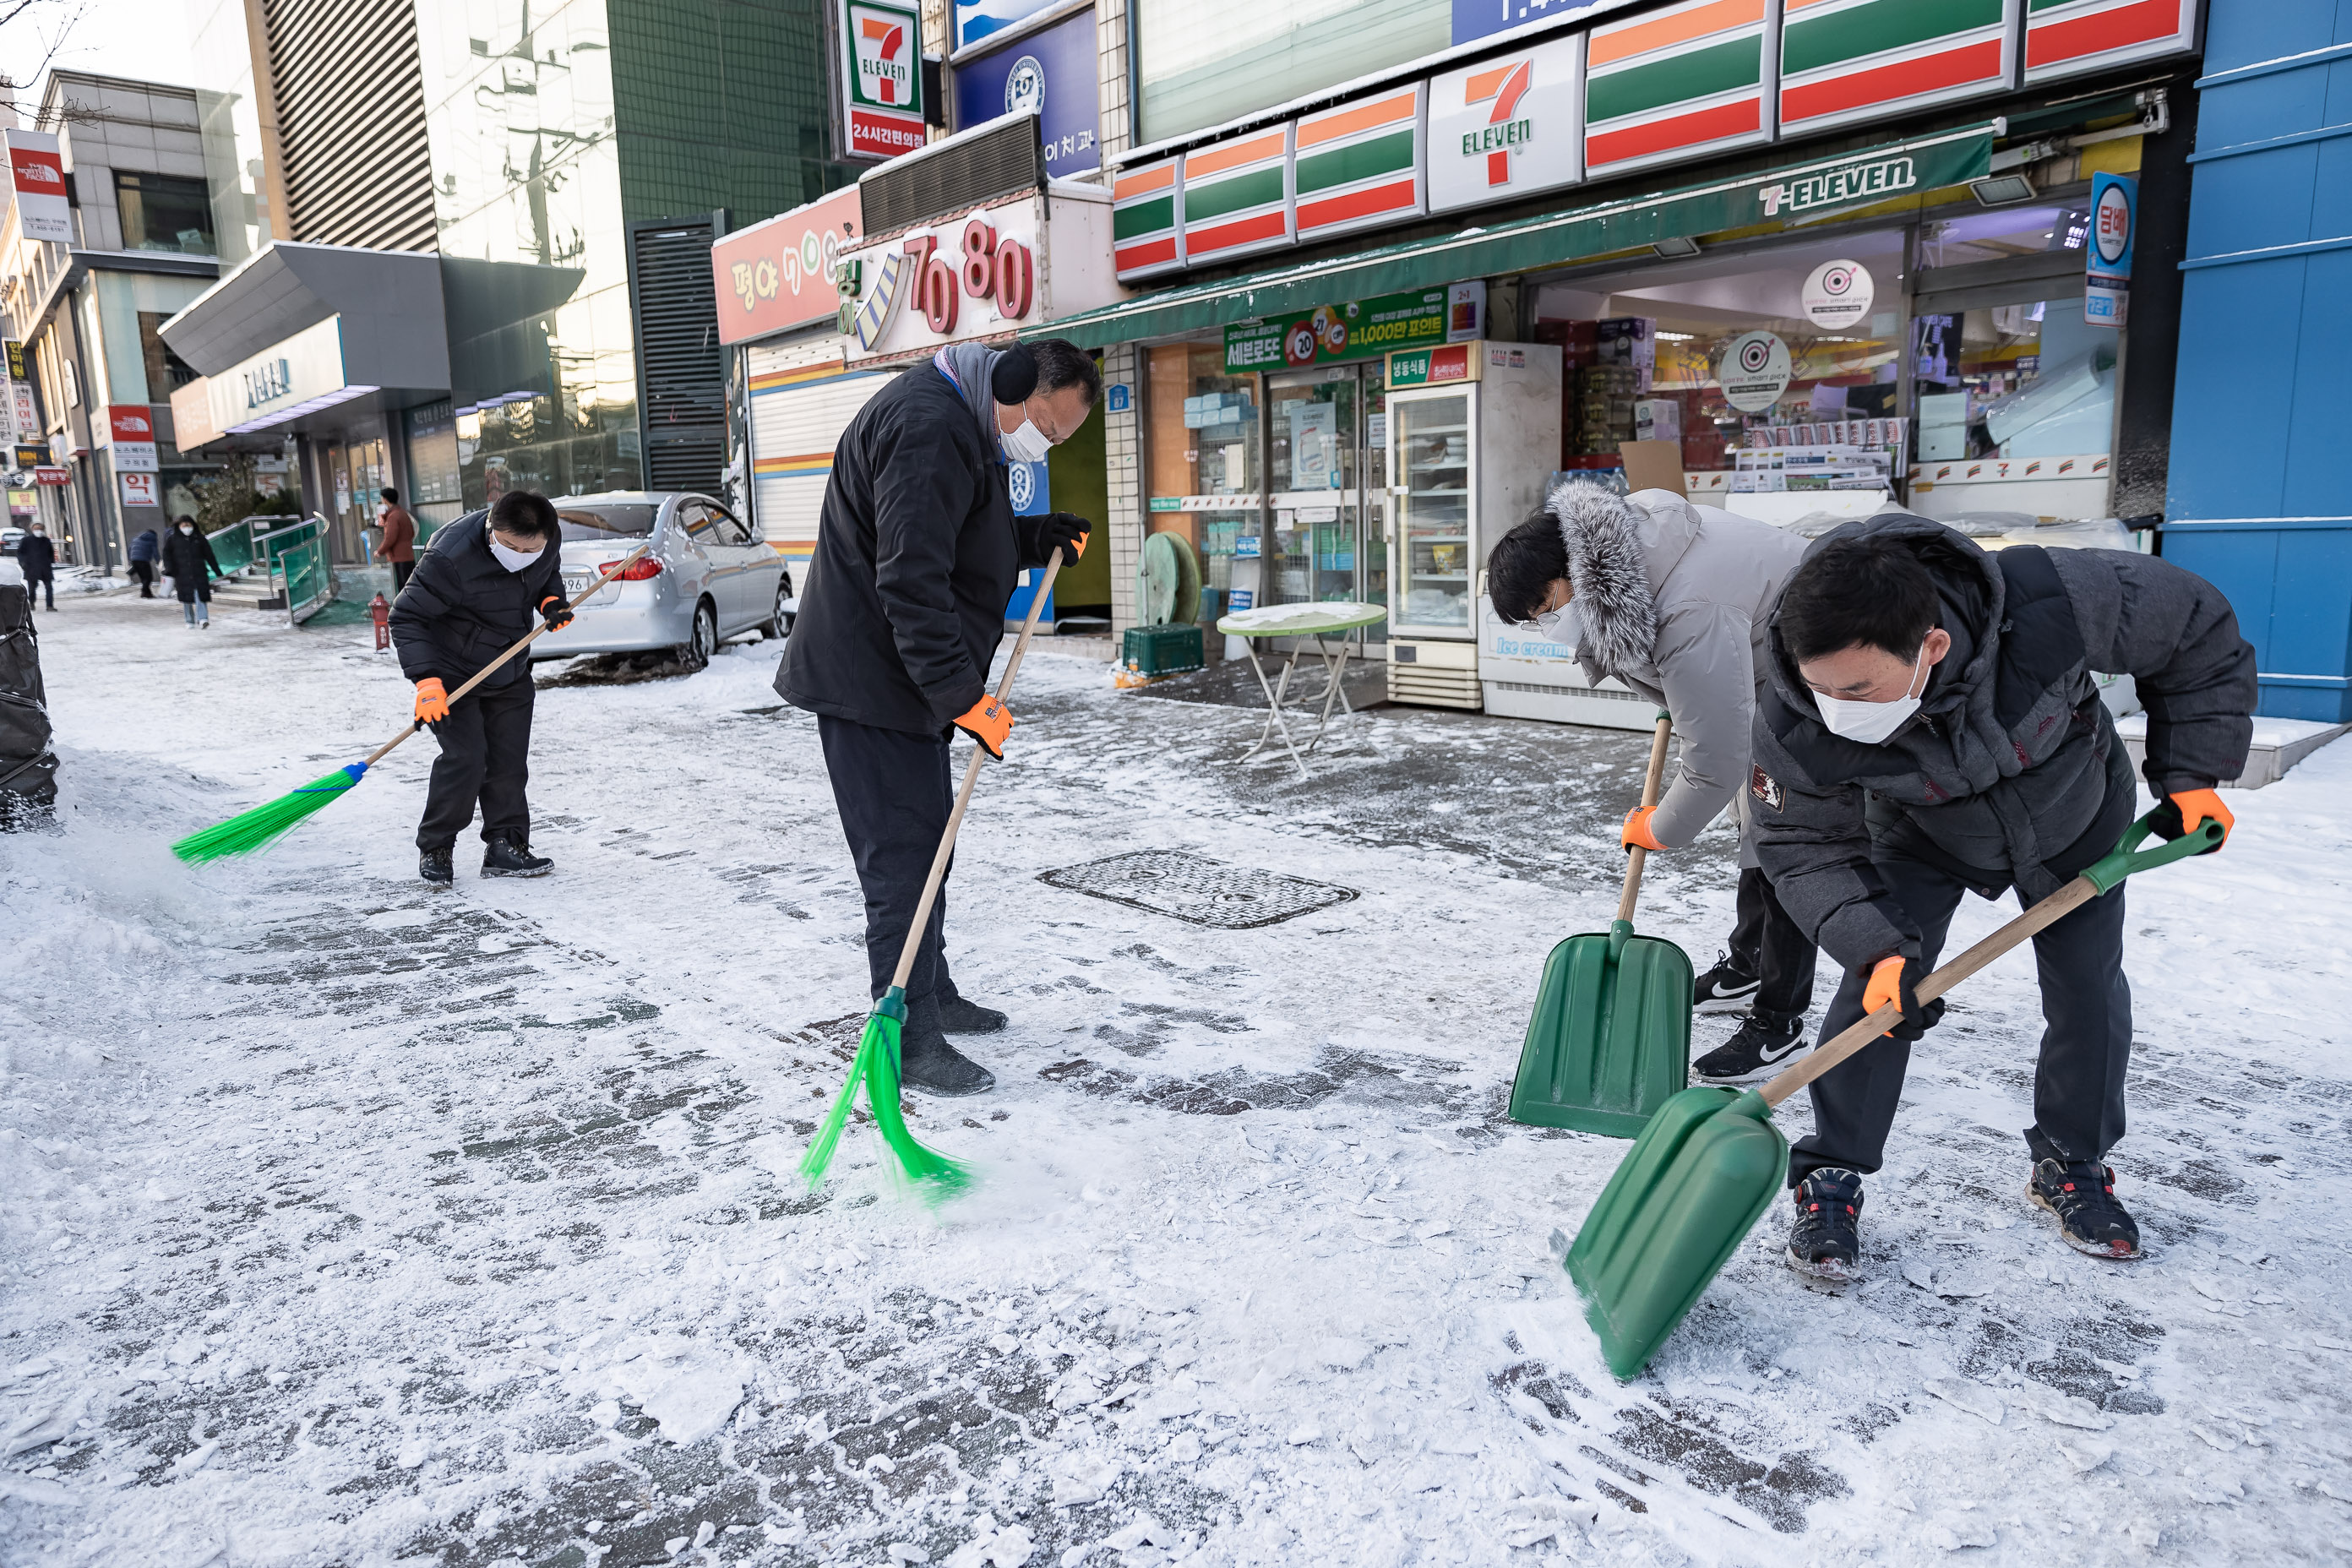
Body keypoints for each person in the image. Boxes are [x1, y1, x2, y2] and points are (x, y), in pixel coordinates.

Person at [1749, 513, 2255, 1283]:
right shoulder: (1795, 707)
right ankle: (1831, 1174)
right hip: (1922, 830)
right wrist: (1875, 945)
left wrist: (2190, 775)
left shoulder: (2052, 598)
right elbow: (1802, 844)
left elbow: (2195, 629)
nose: (1833, 707)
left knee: (2088, 988)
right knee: (1877, 995)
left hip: (2074, 813)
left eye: (1856, 689)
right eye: (1819, 687)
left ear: (1932, 647)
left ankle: (2070, 1163)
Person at [777, 338, 1098, 1096]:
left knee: (929, 845)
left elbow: (956, 538)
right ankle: (908, 1035)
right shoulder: (929, 428)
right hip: (873, 684)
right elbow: (911, 580)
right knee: (903, 859)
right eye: (1048, 431)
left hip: (901, 683)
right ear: (1019, 389)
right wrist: (965, 700)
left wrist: (1033, 538)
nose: (1042, 445)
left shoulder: (964, 416)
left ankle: (934, 989)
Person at [1486, 482, 1820, 1080]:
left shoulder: (1685, 606)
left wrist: (1659, 829)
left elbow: (1717, 753)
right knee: (1756, 828)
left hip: (1815, 678)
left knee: (1783, 841)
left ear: (1570, 572)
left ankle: (1780, 1022)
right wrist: (1674, 688)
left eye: (1543, 610)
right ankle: (1747, 966)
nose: (1546, 625)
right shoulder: (1628, 551)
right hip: (1759, 666)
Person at [389, 492, 569, 884]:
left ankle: (506, 846)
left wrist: (552, 601)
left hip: (509, 665)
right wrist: (427, 682)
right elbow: (405, 618)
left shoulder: (548, 539)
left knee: (508, 761)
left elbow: (544, 574)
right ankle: (437, 845)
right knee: (466, 759)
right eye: (508, 545)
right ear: (490, 527)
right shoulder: (449, 558)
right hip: (452, 673)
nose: (520, 554)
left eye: (530, 548)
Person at [160, 516, 220, 627]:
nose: (187, 528)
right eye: (184, 526)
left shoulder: (200, 539)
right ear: (179, 527)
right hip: (182, 574)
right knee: (186, 598)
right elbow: (166, 555)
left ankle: (203, 619)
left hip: (199, 572)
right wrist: (169, 568)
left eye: (189, 526)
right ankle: (190, 621)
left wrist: (217, 570)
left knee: (200, 595)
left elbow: (209, 556)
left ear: (193, 526)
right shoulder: (173, 540)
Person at [378, 487, 417, 593]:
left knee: (403, 587)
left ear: (385, 499)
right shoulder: (402, 513)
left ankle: (405, 609)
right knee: (410, 585)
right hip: (408, 554)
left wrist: (380, 551)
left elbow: (390, 538)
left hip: (399, 557)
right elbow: (412, 533)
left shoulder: (393, 516)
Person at [16, 520, 56, 611]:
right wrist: (23, 563)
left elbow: (51, 552)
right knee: (32, 588)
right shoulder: (26, 540)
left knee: (49, 587)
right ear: (32, 529)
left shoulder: (46, 540)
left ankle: (50, 605)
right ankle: (32, 603)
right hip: (31, 568)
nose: (39, 531)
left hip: (45, 568)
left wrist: (50, 562)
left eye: (41, 529)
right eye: (36, 529)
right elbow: (20, 552)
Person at [128, 525, 161, 597]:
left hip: (134, 559)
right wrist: (159, 562)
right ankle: (144, 592)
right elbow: (155, 552)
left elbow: (130, 549)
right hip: (143, 560)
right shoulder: (153, 538)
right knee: (148, 578)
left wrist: (130, 560)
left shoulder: (136, 538)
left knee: (144, 578)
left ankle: (148, 594)